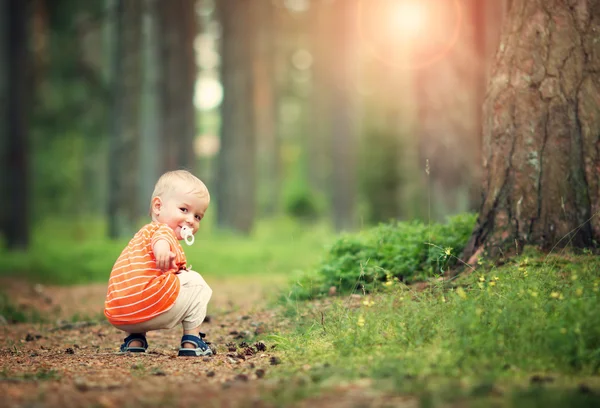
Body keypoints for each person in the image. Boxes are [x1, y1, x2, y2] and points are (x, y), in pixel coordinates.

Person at [104, 170, 213, 357]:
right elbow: (160, 239)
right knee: (197, 283)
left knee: (140, 280)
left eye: (198, 216)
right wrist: (162, 251)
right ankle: (192, 342)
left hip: (120, 314)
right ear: (158, 207)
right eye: (184, 210)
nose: (191, 220)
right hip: (149, 307)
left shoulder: (138, 241)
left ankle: (134, 340)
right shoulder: (162, 231)